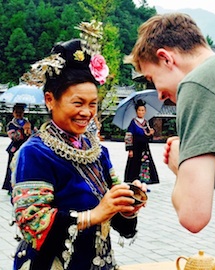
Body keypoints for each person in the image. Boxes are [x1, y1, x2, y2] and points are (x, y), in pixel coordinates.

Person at [126, 12, 215, 270]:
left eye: (152, 79)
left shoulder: (198, 83)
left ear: (166, 58)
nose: (159, 95)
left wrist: (181, 166)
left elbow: (194, 216)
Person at [11, 20, 147, 270]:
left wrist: (127, 206)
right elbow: (32, 222)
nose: (87, 112)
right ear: (50, 100)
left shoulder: (97, 150)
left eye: (92, 103)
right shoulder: (34, 153)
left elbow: (112, 212)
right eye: (78, 103)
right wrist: (95, 214)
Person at [124, 99, 159, 186]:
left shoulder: (146, 122)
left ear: (145, 111)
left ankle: (144, 182)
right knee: (134, 166)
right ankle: (134, 183)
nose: (141, 112)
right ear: (136, 111)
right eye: (139, 110)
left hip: (144, 148)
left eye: (143, 110)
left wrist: (151, 134)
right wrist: (130, 149)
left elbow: (148, 137)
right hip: (135, 147)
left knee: (145, 165)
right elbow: (129, 136)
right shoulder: (133, 122)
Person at [2, 104, 31, 194]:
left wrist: (30, 130)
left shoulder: (28, 123)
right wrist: (22, 130)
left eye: (20, 112)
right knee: (12, 168)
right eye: (16, 112)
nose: (18, 114)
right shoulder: (11, 124)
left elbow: (35, 134)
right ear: (13, 113)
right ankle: (10, 188)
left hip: (25, 149)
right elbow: (14, 137)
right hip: (14, 149)